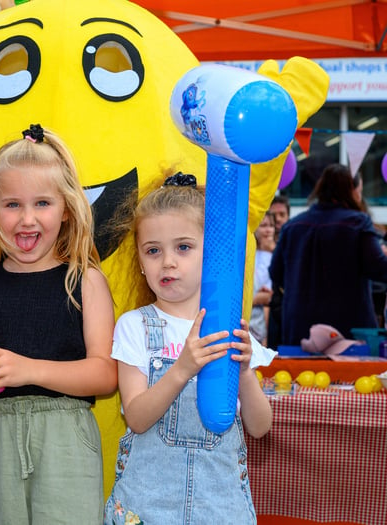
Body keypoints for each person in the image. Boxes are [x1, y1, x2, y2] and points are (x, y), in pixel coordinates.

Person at [0, 124, 117, 525]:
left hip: (66, 442)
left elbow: (106, 374)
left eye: (42, 203)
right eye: (12, 204)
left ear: (67, 208)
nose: (27, 219)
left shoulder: (85, 281)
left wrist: (25, 369)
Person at [103, 173, 275, 524]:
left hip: (220, 506)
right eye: (153, 250)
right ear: (140, 260)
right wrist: (182, 368)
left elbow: (260, 426)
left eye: (183, 247)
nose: (167, 262)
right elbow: (136, 417)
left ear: (211, 253)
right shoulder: (134, 326)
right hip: (148, 506)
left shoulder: (231, 329)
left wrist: (242, 373)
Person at [269, 163, 387, 345]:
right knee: (353, 375)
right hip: (348, 333)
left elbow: (276, 273)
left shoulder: (292, 226)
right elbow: (380, 269)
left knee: (299, 375)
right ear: (352, 191)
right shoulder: (358, 223)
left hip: (300, 330)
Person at [250, 211, 276, 346]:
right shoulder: (248, 253)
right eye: (263, 225)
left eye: (271, 225)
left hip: (265, 319)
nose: (268, 230)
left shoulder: (276, 253)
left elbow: (269, 295)